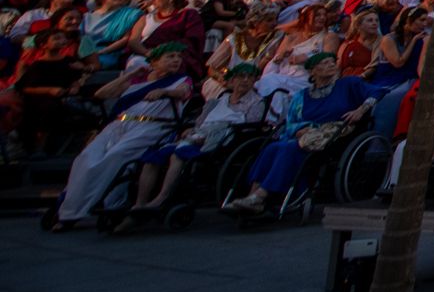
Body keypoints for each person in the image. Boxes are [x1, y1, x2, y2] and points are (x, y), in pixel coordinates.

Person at [49, 42, 194, 229]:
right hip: (120, 124)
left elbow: (183, 92)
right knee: (85, 158)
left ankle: (112, 205)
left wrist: (165, 91)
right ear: (154, 62)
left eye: (178, 57)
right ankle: (69, 211)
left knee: (116, 156)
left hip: (153, 126)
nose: (176, 60)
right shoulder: (137, 81)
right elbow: (101, 94)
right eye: (170, 56)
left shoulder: (182, 79)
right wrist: (130, 75)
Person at [225, 50, 373, 216]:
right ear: (312, 71)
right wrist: (299, 129)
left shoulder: (348, 84)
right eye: (324, 63)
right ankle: (252, 196)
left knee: (288, 149)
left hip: (331, 135)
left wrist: (361, 109)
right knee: (272, 148)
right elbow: (291, 121)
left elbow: (377, 92)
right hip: (303, 135)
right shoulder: (302, 96)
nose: (331, 65)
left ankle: (260, 195)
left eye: (332, 62)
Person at [128, 59, 268, 215]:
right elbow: (200, 122)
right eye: (241, 76)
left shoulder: (256, 102)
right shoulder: (219, 100)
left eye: (250, 77)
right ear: (232, 80)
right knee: (154, 157)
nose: (246, 80)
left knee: (178, 154)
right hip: (198, 134)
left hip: (222, 140)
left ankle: (162, 198)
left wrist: (213, 133)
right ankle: (140, 202)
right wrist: (191, 129)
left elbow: (249, 127)